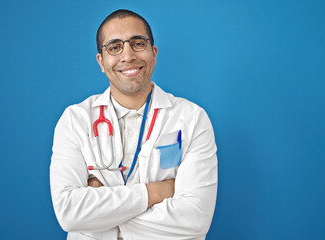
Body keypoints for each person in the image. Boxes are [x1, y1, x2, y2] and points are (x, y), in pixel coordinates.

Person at [50, 9, 218, 240]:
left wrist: (103, 216)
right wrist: (154, 192)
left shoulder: (191, 118)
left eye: (138, 43)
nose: (127, 56)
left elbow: (194, 219)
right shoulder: (75, 120)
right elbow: (69, 213)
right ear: (101, 61)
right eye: (114, 47)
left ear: (154, 53)